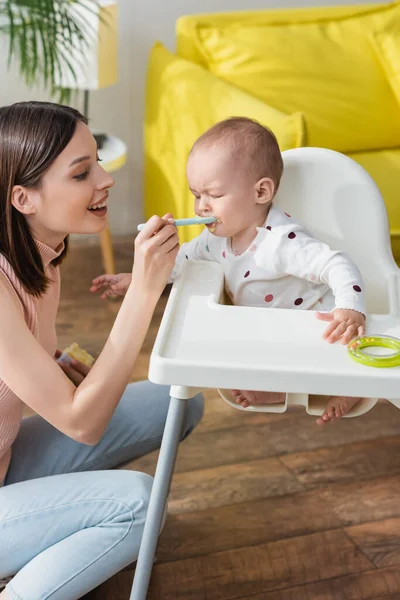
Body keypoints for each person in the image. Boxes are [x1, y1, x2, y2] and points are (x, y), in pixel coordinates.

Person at [0, 101, 204, 600]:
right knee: (137, 503)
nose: (106, 179)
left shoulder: (39, 256)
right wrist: (143, 292)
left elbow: (30, 360)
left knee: (178, 401)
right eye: (82, 172)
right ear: (23, 197)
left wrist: (70, 368)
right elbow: (81, 423)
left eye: (98, 161)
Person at [91, 116, 367, 426]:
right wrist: (136, 278)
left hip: (315, 322)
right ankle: (276, 391)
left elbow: (337, 264)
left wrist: (349, 309)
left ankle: (349, 385)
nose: (200, 208)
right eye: (197, 195)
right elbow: (181, 262)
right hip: (267, 328)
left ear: (261, 192)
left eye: (214, 195)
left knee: (328, 346)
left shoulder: (279, 241)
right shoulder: (214, 239)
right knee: (250, 355)